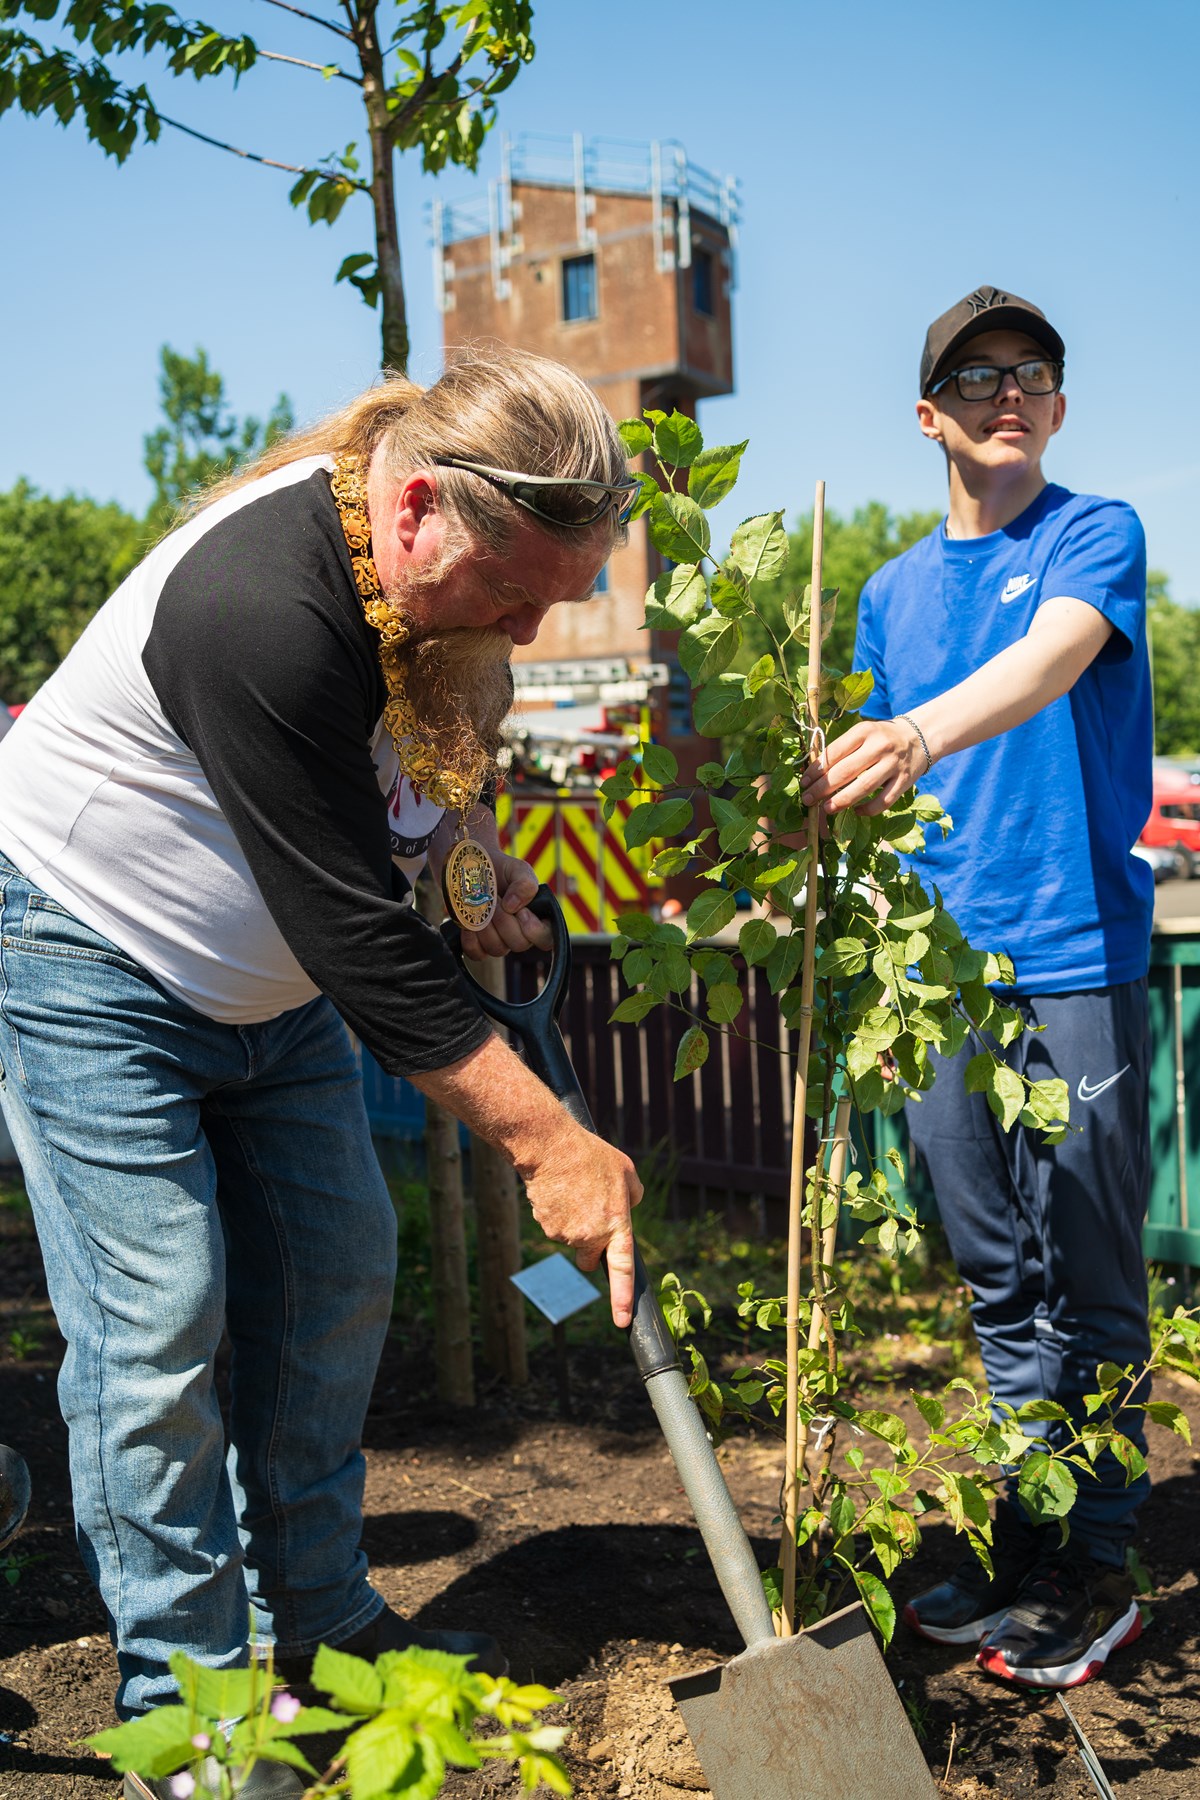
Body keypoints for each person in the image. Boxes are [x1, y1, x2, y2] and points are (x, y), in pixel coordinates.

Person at [0, 347, 644, 1798]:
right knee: (158, 1319)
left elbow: (404, 812)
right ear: (418, 511)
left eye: (559, 594)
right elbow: (362, 941)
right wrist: (549, 1143)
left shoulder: (413, 583)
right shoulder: (261, 606)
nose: (534, 629)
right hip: (87, 957)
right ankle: (194, 1707)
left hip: (268, 986)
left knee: (343, 1267)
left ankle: (321, 1619)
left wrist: (480, 876)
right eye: (518, 589)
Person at [803, 286, 1152, 1690]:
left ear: (1057, 409)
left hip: (1069, 959)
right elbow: (873, 812)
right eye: (978, 373)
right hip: (940, 986)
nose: (1011, 393)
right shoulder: (886, 593)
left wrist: (913, 734)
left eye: (1036, 375)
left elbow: (1052, 657)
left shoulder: (1091, 533)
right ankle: (1029, 1544)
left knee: (1091, 1268)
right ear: (929, 411)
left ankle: (1103, 1562)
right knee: (998, 1280)